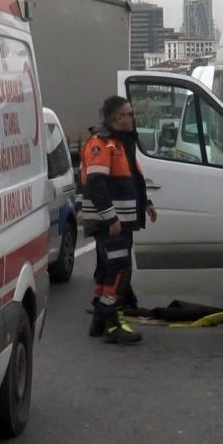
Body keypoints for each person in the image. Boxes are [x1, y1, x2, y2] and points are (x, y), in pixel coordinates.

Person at [81, 96, 158, 345]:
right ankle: (111, 322)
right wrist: (111, 218)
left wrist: (145, 203)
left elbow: (132, 178)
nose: (133, 117)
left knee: (108, 268)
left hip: (120, 221)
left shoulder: (121, 142)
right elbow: (96, 184)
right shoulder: (101, 144)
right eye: (130, 113)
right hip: (110, 223)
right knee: (120, 268)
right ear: (118, 117)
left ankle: (99, 322)